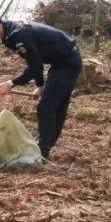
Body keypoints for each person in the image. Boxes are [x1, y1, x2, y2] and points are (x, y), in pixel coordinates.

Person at [0, 19, 83, 160]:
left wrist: (11, 83)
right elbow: (34, 61)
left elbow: (36, 67)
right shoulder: (11, 32)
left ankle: (42, 151)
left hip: (66, 63)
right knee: (54, 107)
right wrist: (40, 86)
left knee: (46, 107)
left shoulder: (19, 34)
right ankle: (44, 148)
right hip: (62, 62)